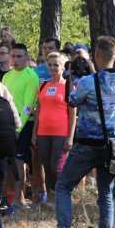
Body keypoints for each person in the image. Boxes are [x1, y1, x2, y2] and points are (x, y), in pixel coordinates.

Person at [38, 36, 115, 228]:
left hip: (88, 143)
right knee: (106, 193)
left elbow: (72, 101)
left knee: (63, 186)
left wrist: (74, 79)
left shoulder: (88, 82)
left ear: (95, 55)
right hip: (113, 145)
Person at [31, 52, 76, 201]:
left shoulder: (69, 86)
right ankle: (51, 199)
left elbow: (73, 113)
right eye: (50, 64)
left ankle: (61, 197)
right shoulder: (43, 85)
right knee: (46, 167)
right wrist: (34, 134)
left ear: (63, 67)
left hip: (61, 133)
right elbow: (39, 111)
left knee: (56, 168)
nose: (53, 67)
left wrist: (70, 137)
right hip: (43, 133)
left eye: (56, 64)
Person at [2, 43, 39, 212]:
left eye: (19, 57)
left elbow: (28, 106)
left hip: (23, 124)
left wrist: (19, 128)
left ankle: (18, 199)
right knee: (8, 162)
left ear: (25, 57)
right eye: (13, 56)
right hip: (7, 123)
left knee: (18, 162)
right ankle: (13, 197)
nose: (15, 60)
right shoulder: (6, 76)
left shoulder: (31, 76)